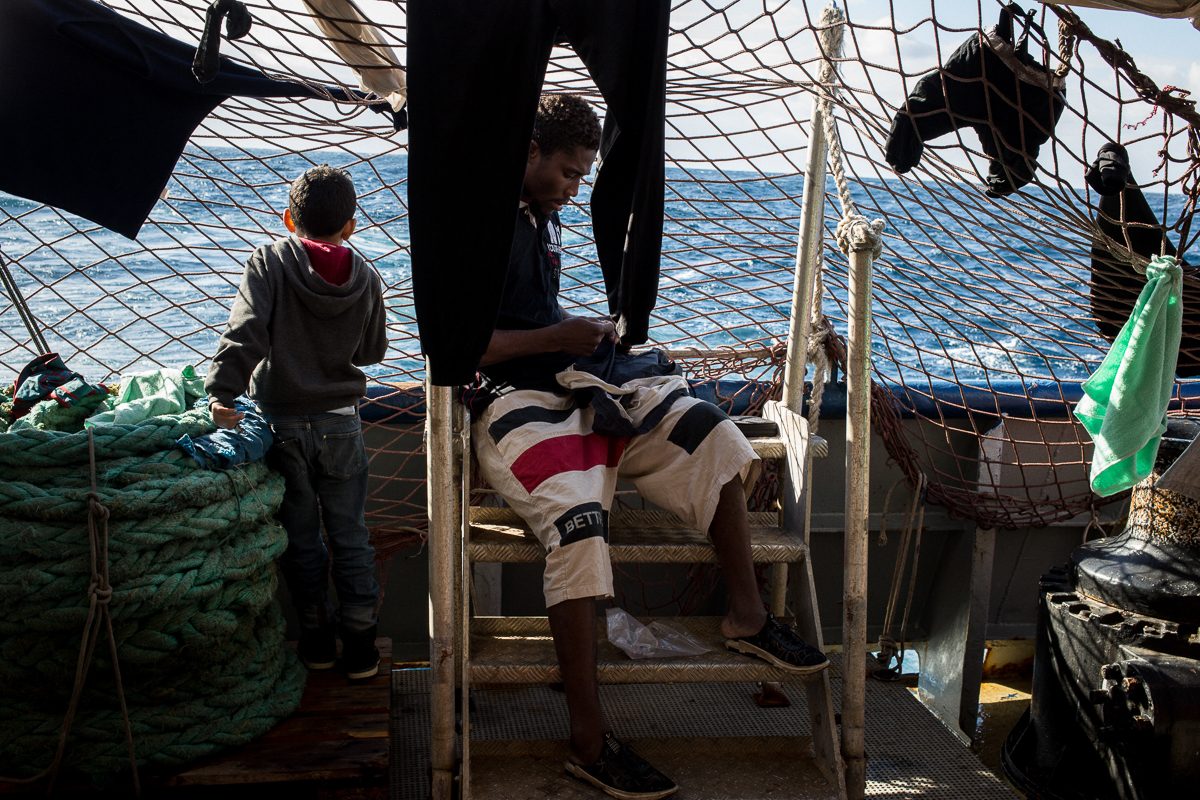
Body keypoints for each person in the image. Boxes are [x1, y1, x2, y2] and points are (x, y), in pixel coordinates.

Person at [464, 93, 828, 800]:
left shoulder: (543, 214)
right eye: (568, 173)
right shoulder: (479, 223)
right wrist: (557, 337)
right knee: (578, 522)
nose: (575, 187)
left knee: (711, 431)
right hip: (515, 402)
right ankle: (590, 739)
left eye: (582, 176)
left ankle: (748, 616)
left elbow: (536, 315)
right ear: (529, 153)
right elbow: (459, 346)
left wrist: (580, 336)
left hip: (577, 380)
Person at [205, 164, 389, 680]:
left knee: (302, 539)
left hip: (280, 424)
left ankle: (316, 642)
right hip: (341, 426)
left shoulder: (269, 261)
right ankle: (361, 649)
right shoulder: (368, 276)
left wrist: (221, 393)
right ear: (350, 226)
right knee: (351, 537)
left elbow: (246, 334)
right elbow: (373, 351)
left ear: (289, 219)